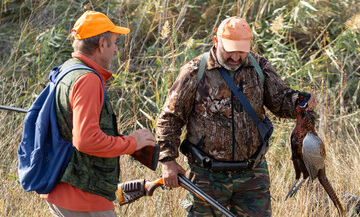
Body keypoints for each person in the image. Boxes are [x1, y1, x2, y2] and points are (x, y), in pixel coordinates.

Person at [155, 16, 317, 216]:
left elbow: (280, 101)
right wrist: (168, 160)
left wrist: (299, 102)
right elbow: (170, 118)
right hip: (207, 176)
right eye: (229, 50)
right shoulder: (195, 71)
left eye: (241, 51)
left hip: (252, 175)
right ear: (217, 42)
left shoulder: (259, 67)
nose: (235, 57)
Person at [43, 11, 155, 217]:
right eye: (114, 43)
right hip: (84, 198)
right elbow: (86, 141)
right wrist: (133, 142)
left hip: (65, 191)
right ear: (102, 44)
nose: (115, 49)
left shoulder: (67, 70)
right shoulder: (88, 80)